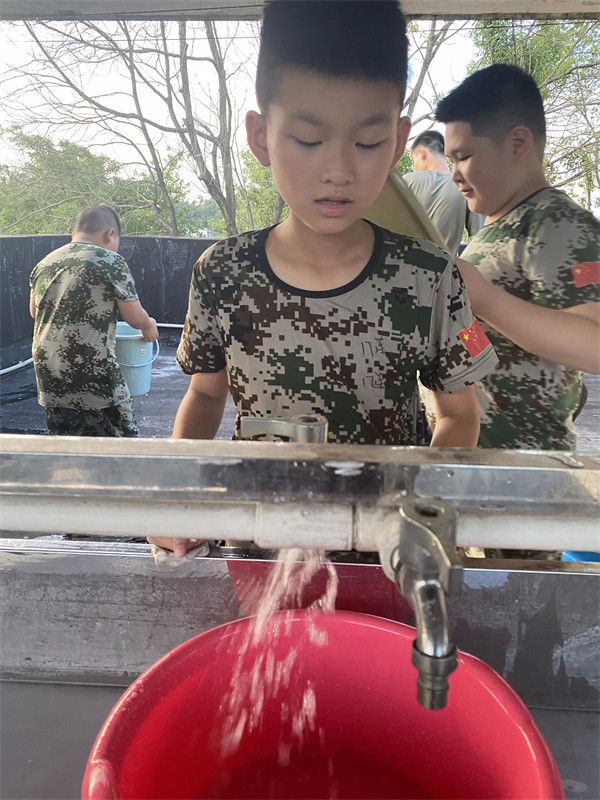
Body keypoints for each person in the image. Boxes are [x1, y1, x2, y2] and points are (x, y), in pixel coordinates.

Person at [155, 0, 498, 557]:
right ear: (261, 136)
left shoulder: (429, 276)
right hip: (261, 546)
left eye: (367, 143)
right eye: (308, 140)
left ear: (398, 141)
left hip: (384, 555)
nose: (338, 170)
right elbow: (205, 394)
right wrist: (176, 499)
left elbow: (459, 414)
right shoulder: (221, 272)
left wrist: (420, 510)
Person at [435, 63, 599, 451]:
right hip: (476, 457)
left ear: (518, 144)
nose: (454, 174)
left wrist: (484, 298)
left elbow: (595, 346)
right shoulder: (495, 228)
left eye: (463, 156)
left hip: (525, 464)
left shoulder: (556, 222)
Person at [29, 204, 159, 437]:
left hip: (49, 372)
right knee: (122, 441)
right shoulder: (109, 260)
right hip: (92, 372)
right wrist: (149, 325)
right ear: (110, 234)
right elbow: (134, 317)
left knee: (64, 441)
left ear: (74, 234)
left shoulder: (45, 263)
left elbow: (34, 311)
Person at [403, 130, 483, 257]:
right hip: (447, 267)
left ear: (421, 153)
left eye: (414, 160)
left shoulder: (407, 181)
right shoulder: (466, 187)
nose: (415, 166)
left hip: (405, 265)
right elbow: (478, 243)